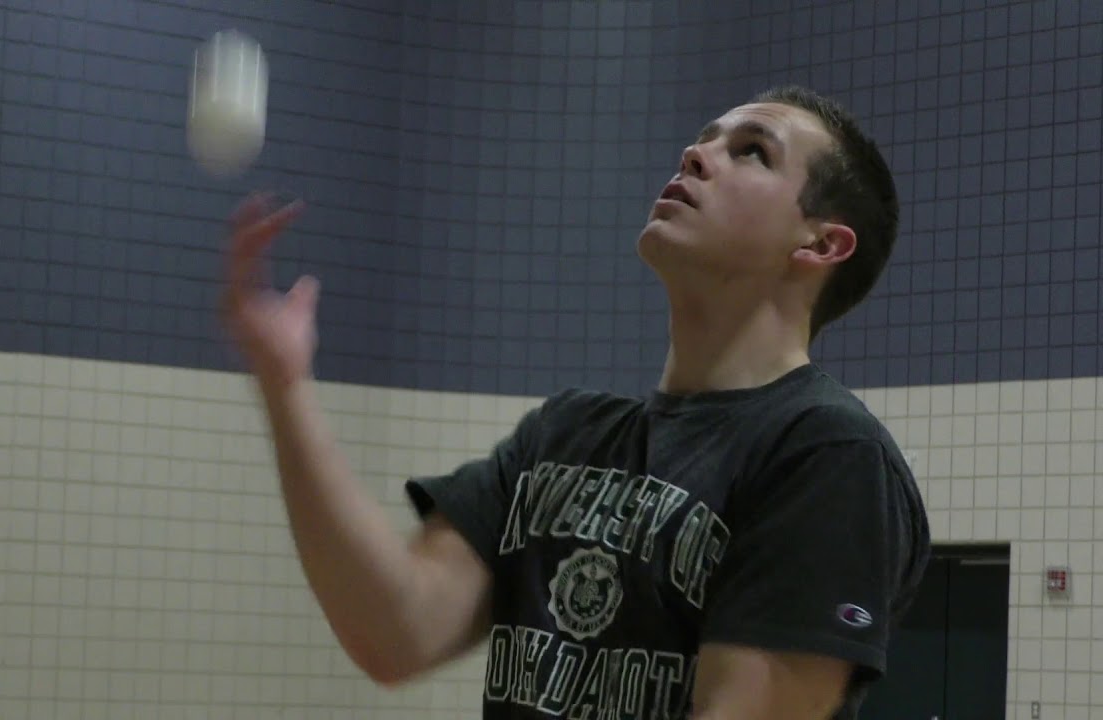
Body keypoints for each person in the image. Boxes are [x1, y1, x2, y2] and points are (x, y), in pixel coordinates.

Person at [220, 84, 931, 719]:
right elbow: (394, 632)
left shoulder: (828, 455)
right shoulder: (565, 433)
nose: (696, 154)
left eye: (751, 152)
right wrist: (286, 386)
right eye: (705, 137)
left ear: (821, 243)